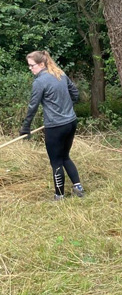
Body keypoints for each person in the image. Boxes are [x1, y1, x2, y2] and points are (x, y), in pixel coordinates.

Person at [21, 51, 84, 200]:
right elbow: (75, 94)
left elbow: (33, 106)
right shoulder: (60, 74)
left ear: (41, 64)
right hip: (71, 122)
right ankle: (78, 187)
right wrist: (66, 109)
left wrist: (26, 127)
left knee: (56, 161)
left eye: (32, 65)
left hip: (55, 127)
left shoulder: (39, 82)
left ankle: (59, 195)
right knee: (65, 156)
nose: (30, 68)